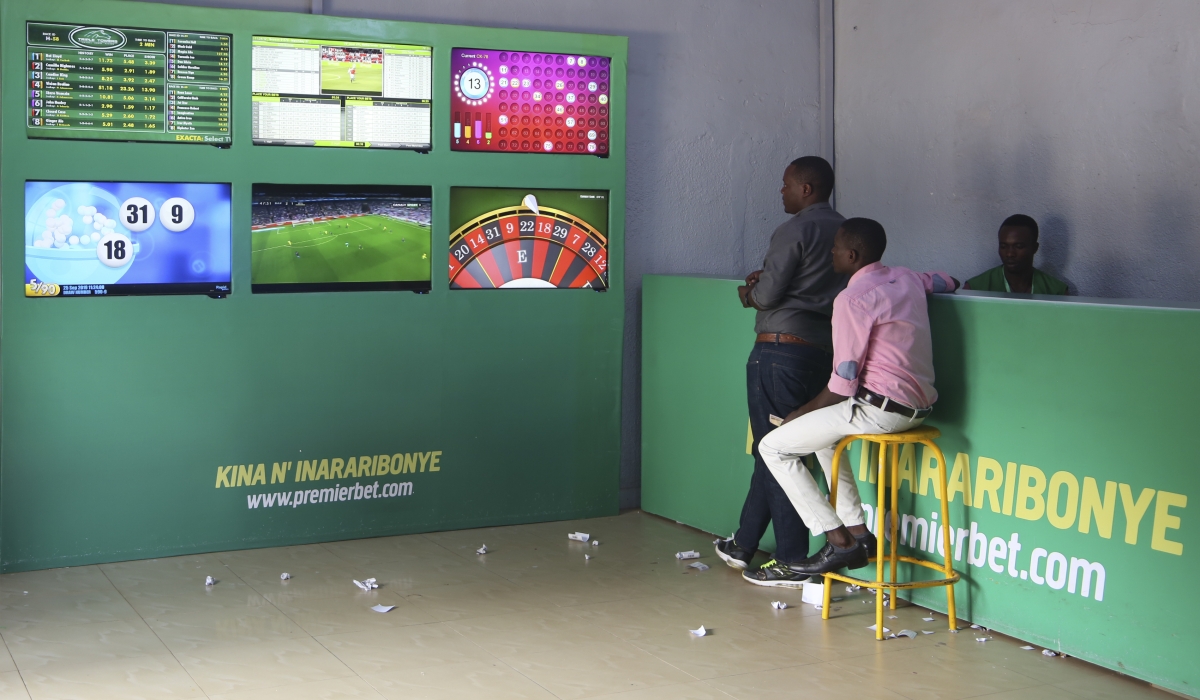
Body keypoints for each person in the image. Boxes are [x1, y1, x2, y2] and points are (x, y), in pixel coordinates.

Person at [745, 218, 958, 584]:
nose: (831, 253)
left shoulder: (852, 300)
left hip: (878, 411)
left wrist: (799, 413)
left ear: (852, 255)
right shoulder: (906, 278)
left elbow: (842, 385)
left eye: (836, 249)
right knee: (825, 437)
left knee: (773, 448)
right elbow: (948, 281)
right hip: (917, 409)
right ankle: (860, 534)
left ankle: (837, 539)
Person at [712, 156, 848, 585]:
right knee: (776, 449)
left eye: (786, 184)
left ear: (806, 189)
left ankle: (793, 558)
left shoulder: (794, 229)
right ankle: (743, 544)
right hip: (821, 355)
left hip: (779, 353)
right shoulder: (845, 231)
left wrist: (751, 292)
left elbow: (769, 295)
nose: (782, 192)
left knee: (779, 452)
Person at [964, 215, 1067, 294]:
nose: (1009, 254)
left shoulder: (1056, 291)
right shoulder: (975, 288)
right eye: (1003, 246)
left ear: (1034, 248)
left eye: (1018, 246)